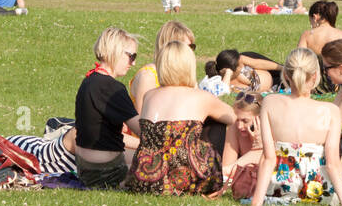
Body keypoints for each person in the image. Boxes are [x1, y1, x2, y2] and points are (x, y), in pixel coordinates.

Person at [124, 41, 233, 197]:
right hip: (183, 180)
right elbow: (231, 117)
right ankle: (214, 183)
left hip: (144, 179)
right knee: (217, 121)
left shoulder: (149, 95)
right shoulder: (201, 97)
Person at [250, 49, 342, 206]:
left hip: (281, 188)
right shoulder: (330, 111)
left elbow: (268, 158)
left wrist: (255, 204)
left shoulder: (269, 103)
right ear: (315, 76)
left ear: (286, 75)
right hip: (319, 189)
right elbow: (333, 163)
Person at [74, 27, 143, 188]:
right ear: (115, 52)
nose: (133, 63)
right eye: (131, 56)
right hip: (107, 171)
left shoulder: (89, 81)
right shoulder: (112, 88)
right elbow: (143, 130)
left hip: (85, 168)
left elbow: (109, 134)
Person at [129, 21, 196, 108]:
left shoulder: (184, 75)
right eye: (185, 47)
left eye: (191, 47)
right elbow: (142, 118)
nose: (189, 52)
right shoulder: (149, 76)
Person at [223, 92, 265, 199]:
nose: (239, 126)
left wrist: (258, 145)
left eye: (245, 121)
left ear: (259, 118)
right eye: (237, 120)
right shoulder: (234, 129)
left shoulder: (269, 132)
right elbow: (227, 170)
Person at [209, 49, 281, 92]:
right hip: (273, 84)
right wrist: (228, 73)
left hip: (266, 71)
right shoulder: (226, 84)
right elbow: (223, 92)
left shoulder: (239, 60)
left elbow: (257, 63)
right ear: (231, 71)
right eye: (240, 67)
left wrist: (282, 68)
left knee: (286, 72)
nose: (243, 67)